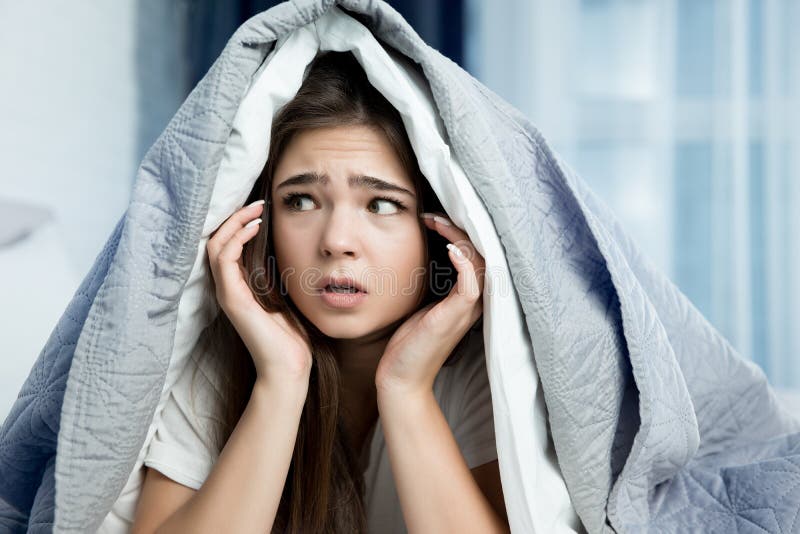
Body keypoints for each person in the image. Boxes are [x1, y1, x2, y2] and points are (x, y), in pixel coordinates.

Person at [130, 51, 508, 533]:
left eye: (382, 204)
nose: (337, 241)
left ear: (439, 232)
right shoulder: (216, 365)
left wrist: (406, 389)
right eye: (301, 201)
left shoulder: (482, 376)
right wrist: (280, 381)